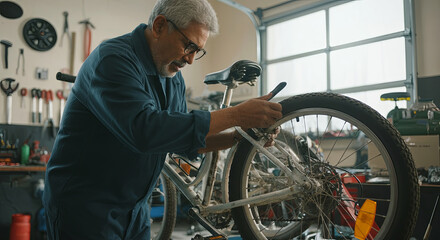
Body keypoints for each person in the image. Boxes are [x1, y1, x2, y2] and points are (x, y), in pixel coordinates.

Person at [42, 0, 282, 239]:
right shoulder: (112, 60)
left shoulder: (171, 76)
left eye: (197, 51)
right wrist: (236, 115)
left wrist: (237, 137)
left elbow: (181, 140)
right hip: (86, 207)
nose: (190, 59)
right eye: (188, 45)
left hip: (135, 210)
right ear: (159, 26)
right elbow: (145, 131)